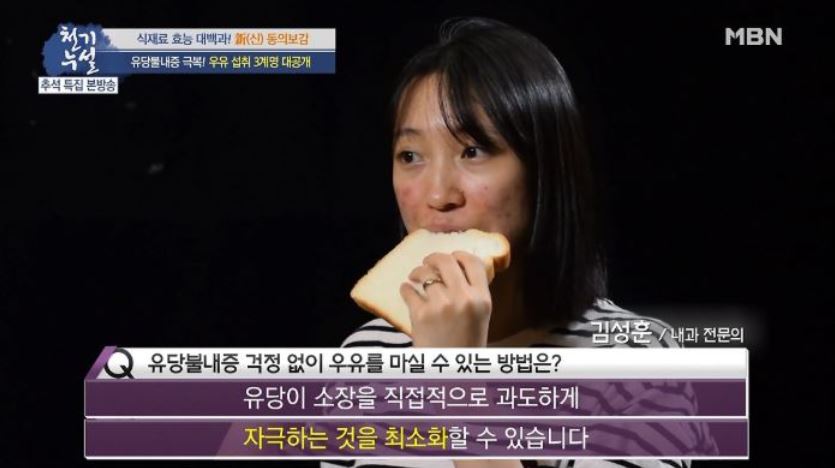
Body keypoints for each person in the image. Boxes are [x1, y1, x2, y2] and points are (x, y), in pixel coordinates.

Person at [322, 17, 716, 468]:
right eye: (410, 156)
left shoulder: (639, 364)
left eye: (473, 151)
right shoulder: (367, 355)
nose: (438, 195)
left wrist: (457, 383)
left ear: (545, 170)